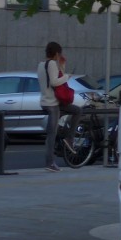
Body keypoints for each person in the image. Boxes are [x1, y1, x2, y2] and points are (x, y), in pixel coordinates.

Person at [38, 41, 81, 171]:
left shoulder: (41, 64)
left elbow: (53, 79)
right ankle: (50, 162)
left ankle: (68, 138)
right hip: (52, 103)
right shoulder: (51, 64)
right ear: (57, 53)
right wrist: (68, 76)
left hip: (45, 102)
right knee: (52, 133)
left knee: (76, 111)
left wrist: (62, 66)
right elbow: (55, 82)